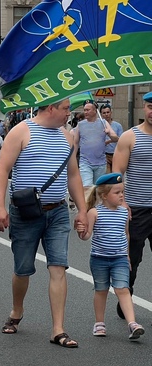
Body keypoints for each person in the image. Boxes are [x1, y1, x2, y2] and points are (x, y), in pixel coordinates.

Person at [0, 98, 88, 348]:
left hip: (57, 212)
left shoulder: (67, 137)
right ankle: (16, 311)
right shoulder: (22, 131)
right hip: (25, 213)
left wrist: (82, 210)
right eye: (66, 108)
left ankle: (58, 329)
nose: (70, 113)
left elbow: (73, 175)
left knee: (58, 267)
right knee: (22, 269)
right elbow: (2, 169)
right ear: (51, 108)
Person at [76, 173, 145, 340]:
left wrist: (127, 256)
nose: (121, 195)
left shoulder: (124, 212)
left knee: (123, 289)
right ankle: (99, 323)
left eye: (122, 192)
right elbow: (87, 236)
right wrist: (82, 233)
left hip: (120, 258)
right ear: (104, 195)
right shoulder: (94, 213)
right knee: (101, 290)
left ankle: (132, 324)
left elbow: (126, 235)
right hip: (99, 258)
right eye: (117, 192)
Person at [112, 91, 152, 319]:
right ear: (145, 108)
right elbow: (117, 174)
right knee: (132, 260)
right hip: (136, 209)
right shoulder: (130, 137)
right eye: (149, 106)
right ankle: (126, 296)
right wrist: (122, 203)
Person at [72, 100, 119, 193]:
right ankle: (87, 207)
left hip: (100, 163)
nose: (85, 112)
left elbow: (116, 138)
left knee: (98, 190)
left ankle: (95, 207)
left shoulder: (103, 123)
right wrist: (72, 158)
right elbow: (76, 143)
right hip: (85, 162)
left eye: (88, 110)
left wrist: (109, 133)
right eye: (84, 110)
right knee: (87, 187)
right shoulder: (80, 125)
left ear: (94, 111)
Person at [100, 104, 124, 173]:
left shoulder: (117, 126)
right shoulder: (99, 126)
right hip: (104, 155)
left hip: (115, 154)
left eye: (108, 112)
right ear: (101, 114)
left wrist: (109, 141)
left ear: (111, 112)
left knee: (116, 176)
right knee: (107, 176)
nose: (106, 114)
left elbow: (121, 140)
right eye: (104, 113)